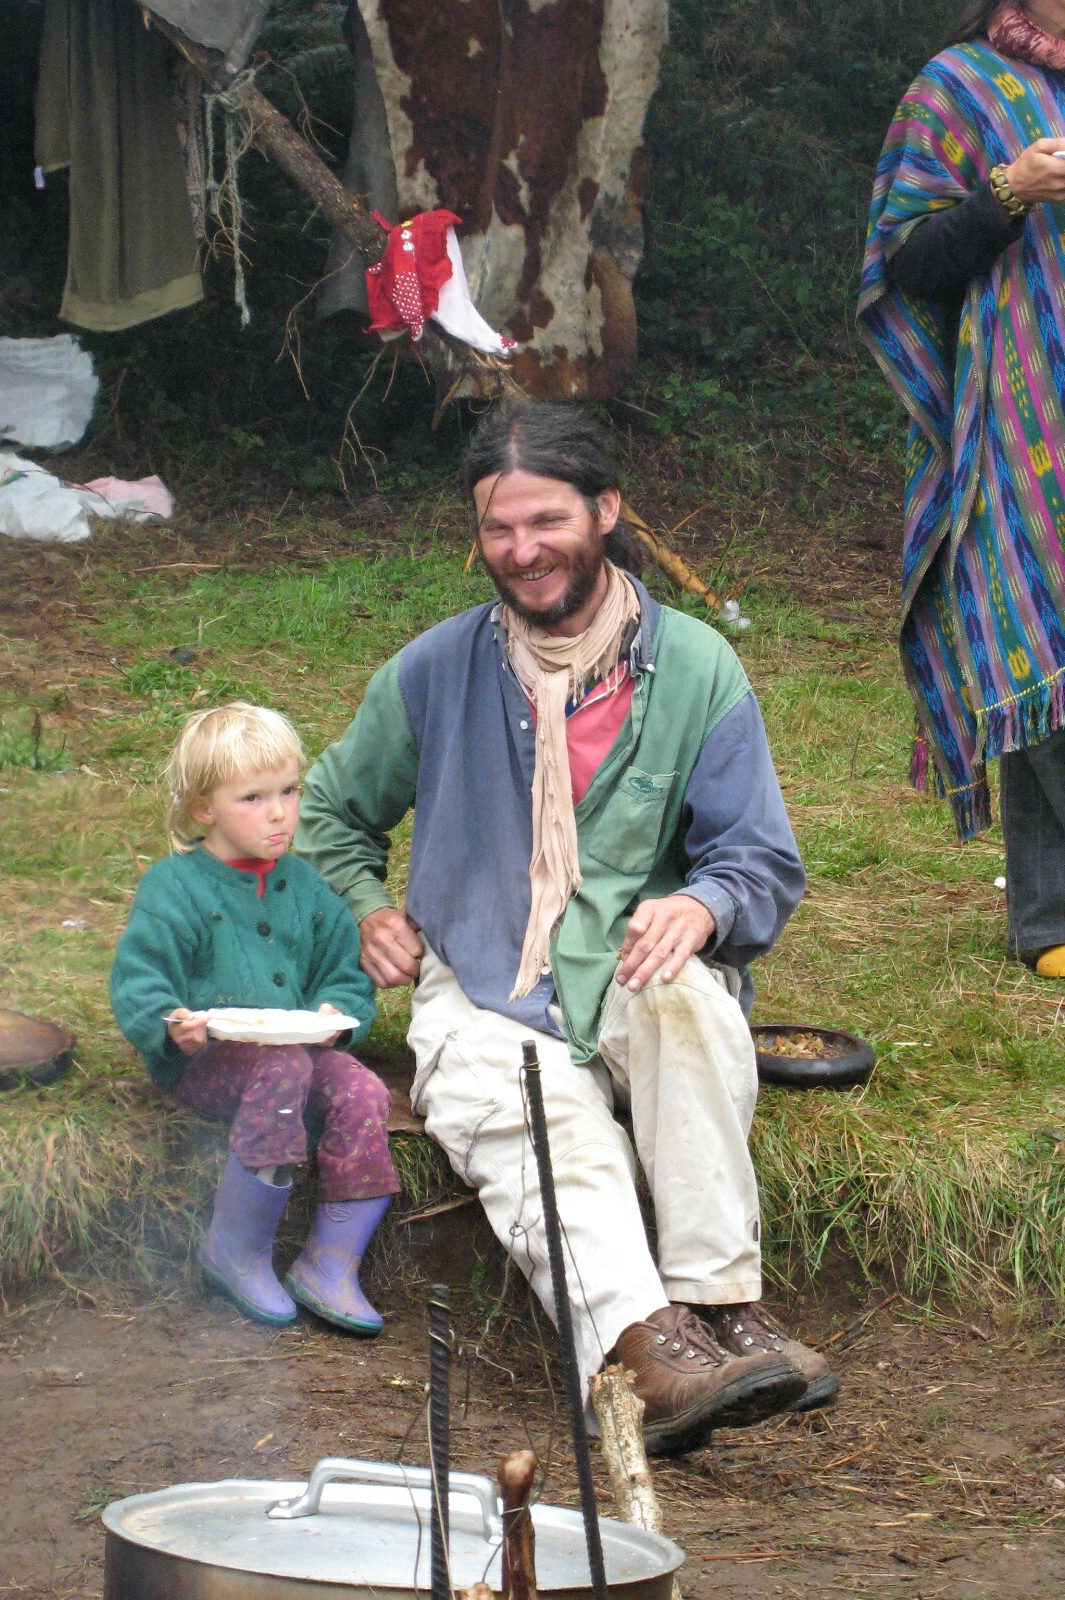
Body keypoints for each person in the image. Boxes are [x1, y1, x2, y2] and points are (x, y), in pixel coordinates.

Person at [297, 403, 837, 1454]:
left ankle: (725, 1307)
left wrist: (703, 904)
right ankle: (644, 1356)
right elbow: (329, 811)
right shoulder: (437, 670)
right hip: (485, 982)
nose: (522, 550)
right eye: (498, 529)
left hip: (630, 965)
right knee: (547, 1126)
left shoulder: (697, 669)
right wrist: (365, 902)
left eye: (546, 521)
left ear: (606, 511)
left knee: (687, 1009)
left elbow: (760, 859)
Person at [859, 0, 1065, 980]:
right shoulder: (957, 86)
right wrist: (1007, 191)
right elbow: (907, 264)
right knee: (1034, 630)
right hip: (1024, 420)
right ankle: (1050, 918)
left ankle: (1048, 913)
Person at [110, 701, 399, 1335]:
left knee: (362, 1089)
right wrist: (169, 1022)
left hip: (299, 1054)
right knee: (282, 1070)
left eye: (289, 792)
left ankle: (332, 1262)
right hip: (208, 1063)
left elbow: (343, 973)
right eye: (253, 798)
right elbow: (140, 976)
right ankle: (235, 1249)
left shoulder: (309, 888)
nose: (279, 813)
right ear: (203, 809)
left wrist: (338, 1014)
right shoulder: (174, 888)